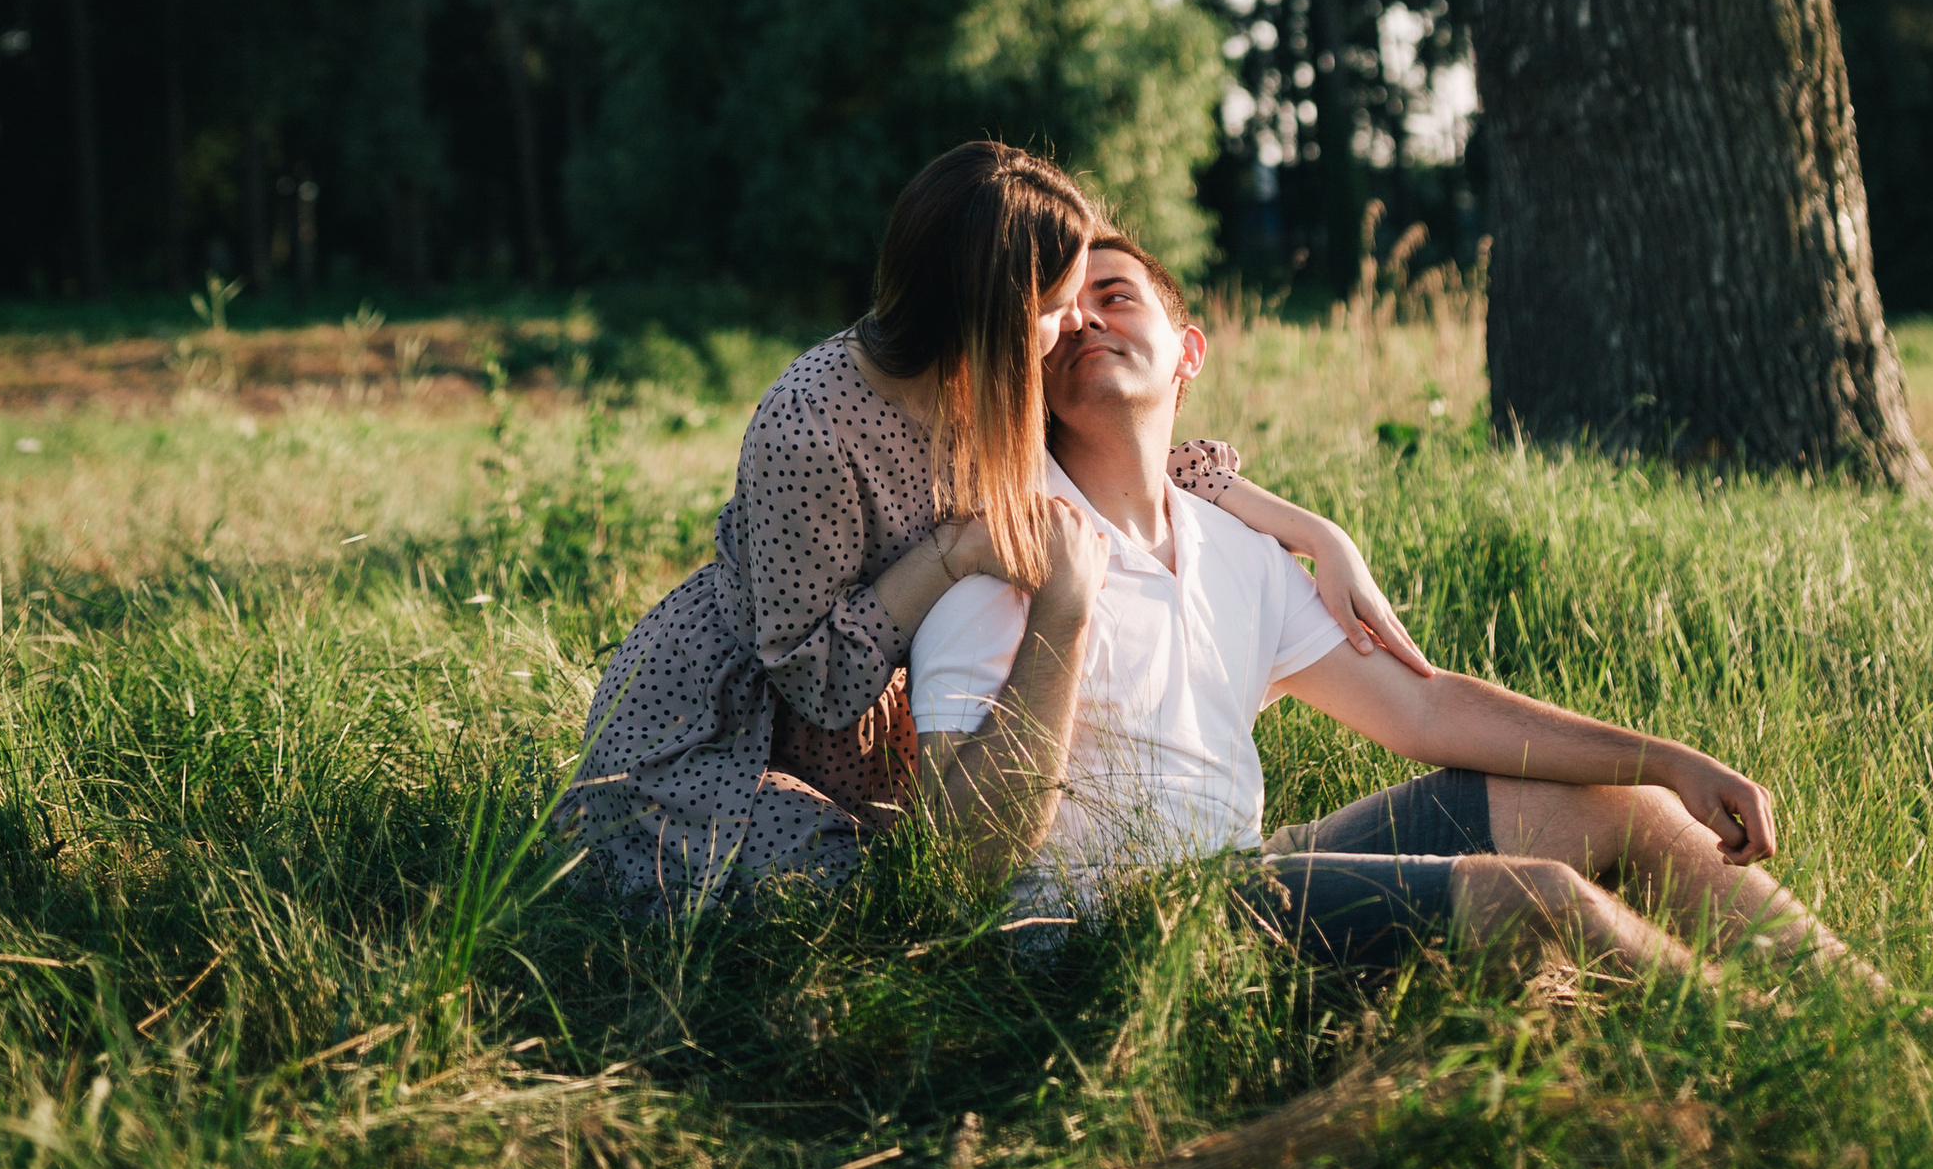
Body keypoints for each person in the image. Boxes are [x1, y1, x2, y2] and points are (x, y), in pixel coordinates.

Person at [909, 233, 1891, 990]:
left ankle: (1927, 1047)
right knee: (1538, 898)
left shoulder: (1234, 548)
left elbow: (1422, 712)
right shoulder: (1006, 543)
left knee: (1617, 797)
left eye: (1112, 296)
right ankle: (1828, 1076)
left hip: (1231, 880)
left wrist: (1668, 761)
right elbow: (961, 866)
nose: (1081, 320)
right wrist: (1064, 613)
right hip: (1099, 943)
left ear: (1187, 353)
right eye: (1057, 313)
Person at [567, 147, 1429, 911]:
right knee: (878, 919)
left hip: (871, 731)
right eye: (1055, 306)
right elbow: (811, 677)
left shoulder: (992, 382)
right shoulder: (812, 427)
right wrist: (953, 556)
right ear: (993, 307)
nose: (1073, 328)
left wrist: (1318, 535)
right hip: (730, 732)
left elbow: (1147, 464)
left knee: (942, 885)